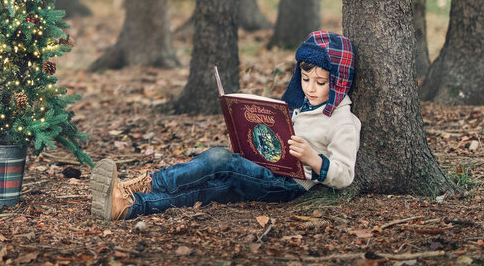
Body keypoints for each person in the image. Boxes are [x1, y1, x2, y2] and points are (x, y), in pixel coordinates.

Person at [91, 31, 360, 221]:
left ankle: (143, 184)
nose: (310, 88)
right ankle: (127, 206)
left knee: (219, 159)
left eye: (321, 83)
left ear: (337, 82)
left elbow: (345, 175)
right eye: (304, 79)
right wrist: (246, 142)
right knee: (211, 190)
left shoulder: (342, 121)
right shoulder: (299, 102)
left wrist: (314, 160)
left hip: (289, 185)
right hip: (265, 169)